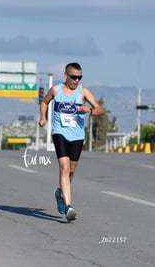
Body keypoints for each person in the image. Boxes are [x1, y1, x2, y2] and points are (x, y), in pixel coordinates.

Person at [38, 62, 104, 221]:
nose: (77, 80)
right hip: (59, 132)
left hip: (77, 135)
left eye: (79, 77)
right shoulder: (56, 90)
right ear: (66, 75)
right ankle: (68, 206)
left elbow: (99, 109)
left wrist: (89, 110)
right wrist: (43, 117)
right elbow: (44, 102)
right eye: (74, 77)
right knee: (64, 167)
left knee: (72, 170)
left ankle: (60, 194)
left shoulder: (84, 92)